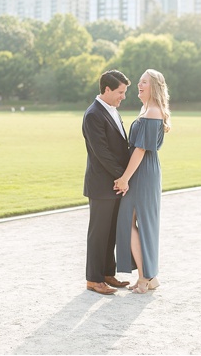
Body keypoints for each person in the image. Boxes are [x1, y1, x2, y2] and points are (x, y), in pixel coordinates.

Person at [114, 69, 171, 294]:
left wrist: (125, 178)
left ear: (154, 86)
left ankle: (145, 277)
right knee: (132, 222)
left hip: (142, 172)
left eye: (144, 82)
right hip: (143, 170)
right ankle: (148, 276)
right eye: (139, 81)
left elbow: (140, 149)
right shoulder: (146, 109)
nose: (139, 85)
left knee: (135, 222)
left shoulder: (153, 112)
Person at [82, 70, 133, 295]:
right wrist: (122, 177)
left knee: (111, 231)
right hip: (103, 185)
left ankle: (106, 273)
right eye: (120, 92)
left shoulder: (111, 111)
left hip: (114, 184)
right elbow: (101, 152)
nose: (123, 96)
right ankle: (93, 279)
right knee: (98, 233)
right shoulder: (93, 114)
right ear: (107, 89)